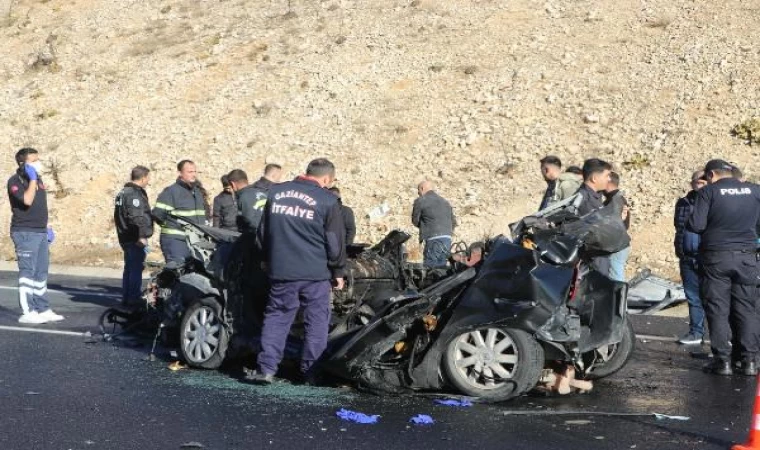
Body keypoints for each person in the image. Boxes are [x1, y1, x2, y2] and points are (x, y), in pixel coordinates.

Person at [247, 158, 346, 385]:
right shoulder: (327, 200)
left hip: (282, 271)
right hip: (315, 274)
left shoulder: (276, 193)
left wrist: (264, 259)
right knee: (317, 322)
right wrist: (338, 271)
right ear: (326, 179)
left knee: (277, 317)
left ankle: (266, 369)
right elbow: (334, 242)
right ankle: (311, 372)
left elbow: (263, 233)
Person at [687, 159, 760, 376]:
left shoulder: (708, 192)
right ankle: (749, 361)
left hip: (716, 257)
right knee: (747, 309)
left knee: (718, 308)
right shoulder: (754, 190)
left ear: (710, 175)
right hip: (747, 257)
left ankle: (723, 360)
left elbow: (695, 225)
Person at [7, 148, 64, 324]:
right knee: (27, 273)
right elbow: (27, 200)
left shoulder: (38, 180)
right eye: (34, 161)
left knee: (41, 272)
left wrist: (46, 226)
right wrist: (32, 179)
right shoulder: (15, 181)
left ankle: (43, 308)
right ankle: (28, 312)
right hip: (24, 232)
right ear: (23, 164)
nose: (38, 164)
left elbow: (39, 205)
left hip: (39, 231)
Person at [152, 160, 210, 264]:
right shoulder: (171, 192)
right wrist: (171, 225)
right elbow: (157, 214)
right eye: (190, 172)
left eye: (195, 171)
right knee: (177, 272)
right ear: (180, 173)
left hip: (196, 241)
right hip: (176, 241)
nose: (194, 175)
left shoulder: (197, 192)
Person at [674, 171, 707, 345]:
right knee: (693, 297)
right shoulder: (683, 202)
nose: (700, 184)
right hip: (687, 256)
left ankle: (724, 337)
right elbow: (678, 227)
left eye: (703, 181)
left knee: (714, 298)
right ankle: (696, 332)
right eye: (697, 181)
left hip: (707, 258)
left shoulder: (713, 202)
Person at [114, 166, 154, 308]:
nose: (148, 181)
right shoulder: (133, 194)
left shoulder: (123, 192)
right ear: (143, 178)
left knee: (130, 268)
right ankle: (133, 298)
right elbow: (136, 218)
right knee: (136, 268)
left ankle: (127, 297)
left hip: (125, 236)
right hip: (133, 237)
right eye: (148, 178)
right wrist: (141, 237)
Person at [412, 180, 456, 268]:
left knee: (430, 268)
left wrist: (424, 226)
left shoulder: (421, 200)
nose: (418, 194)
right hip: (447, 238)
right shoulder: (445, 202)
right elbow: (453, 222)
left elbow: (415, 220)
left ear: (422, 188)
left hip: (433, 238)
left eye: (418, 191)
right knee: (441, 266)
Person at [605, 172, 631, 282]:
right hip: (619, 244)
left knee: (615, 278)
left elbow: (615, 225)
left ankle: (619, 298)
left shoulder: (615, 201)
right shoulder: (617, 199)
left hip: (616, 245)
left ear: (608, 182)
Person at [228, 169, 268, 234]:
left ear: (233, 184)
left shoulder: (244, 197)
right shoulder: (261, 192)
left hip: (258, 238)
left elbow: (251, 222)